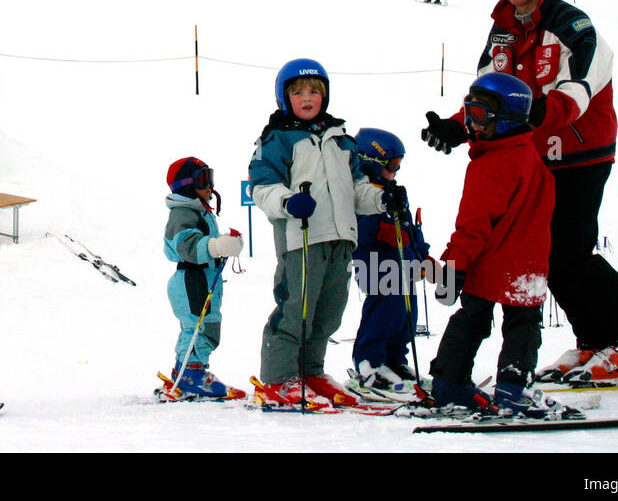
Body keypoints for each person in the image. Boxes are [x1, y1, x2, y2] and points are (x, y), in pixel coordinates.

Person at [421, 0, 618, 384]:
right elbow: (489, 93)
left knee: (571, 250)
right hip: (530, 158)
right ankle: (595, 340)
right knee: (547, 257)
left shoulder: (572, 25)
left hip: (580, 152)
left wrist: (543, 113)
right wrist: (458, 127)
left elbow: (582, 85)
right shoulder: (503, 32)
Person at [424, 72, 570, 418]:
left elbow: (472, 226)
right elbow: (475, 226)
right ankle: (510, 388)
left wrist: (455, 267)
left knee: (476, 319)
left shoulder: (494, 163)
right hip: (519, 267)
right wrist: (456, 265)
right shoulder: (522, 155)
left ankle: (452, 382)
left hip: (499, 263)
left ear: (507, 120)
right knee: (518, 324)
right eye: (468, 112)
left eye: (479, 116)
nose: (471, 125)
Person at [248, 58, 390, 408]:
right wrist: (288, 201)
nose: (307, 98)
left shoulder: (341, 139)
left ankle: (310, 371)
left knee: (329, 311)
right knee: (296, 307)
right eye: (298, 93)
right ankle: (280, 378)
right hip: (302, 237)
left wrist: (383, 198)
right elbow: (261, 187)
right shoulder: (277, 138)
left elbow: (357, 188)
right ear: (285, 98)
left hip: (341, 236)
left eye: (315, 91)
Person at [159, 157, 246, 401]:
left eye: (210, 178)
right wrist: (217, 246)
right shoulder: (183, 214)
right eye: (202, 180)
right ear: (187, 185)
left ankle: (186, 369)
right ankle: (191, 375)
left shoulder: (198, 211)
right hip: (191, 280)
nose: (210, 186)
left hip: (202, 279)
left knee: (202, 324)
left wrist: (223, 245)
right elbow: (187, 245)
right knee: (200, 326)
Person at [350, 129, 429, 393]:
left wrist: (422, 254)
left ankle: (395, 359)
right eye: (392, 166)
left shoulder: (393, 192)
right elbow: (355, 229)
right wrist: (378, 231)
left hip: (403, 265)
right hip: (376, 265)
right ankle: (369, 361)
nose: (396, 172)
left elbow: (410, 228)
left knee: (406, 313)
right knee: (384, 313)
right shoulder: (361, 192)